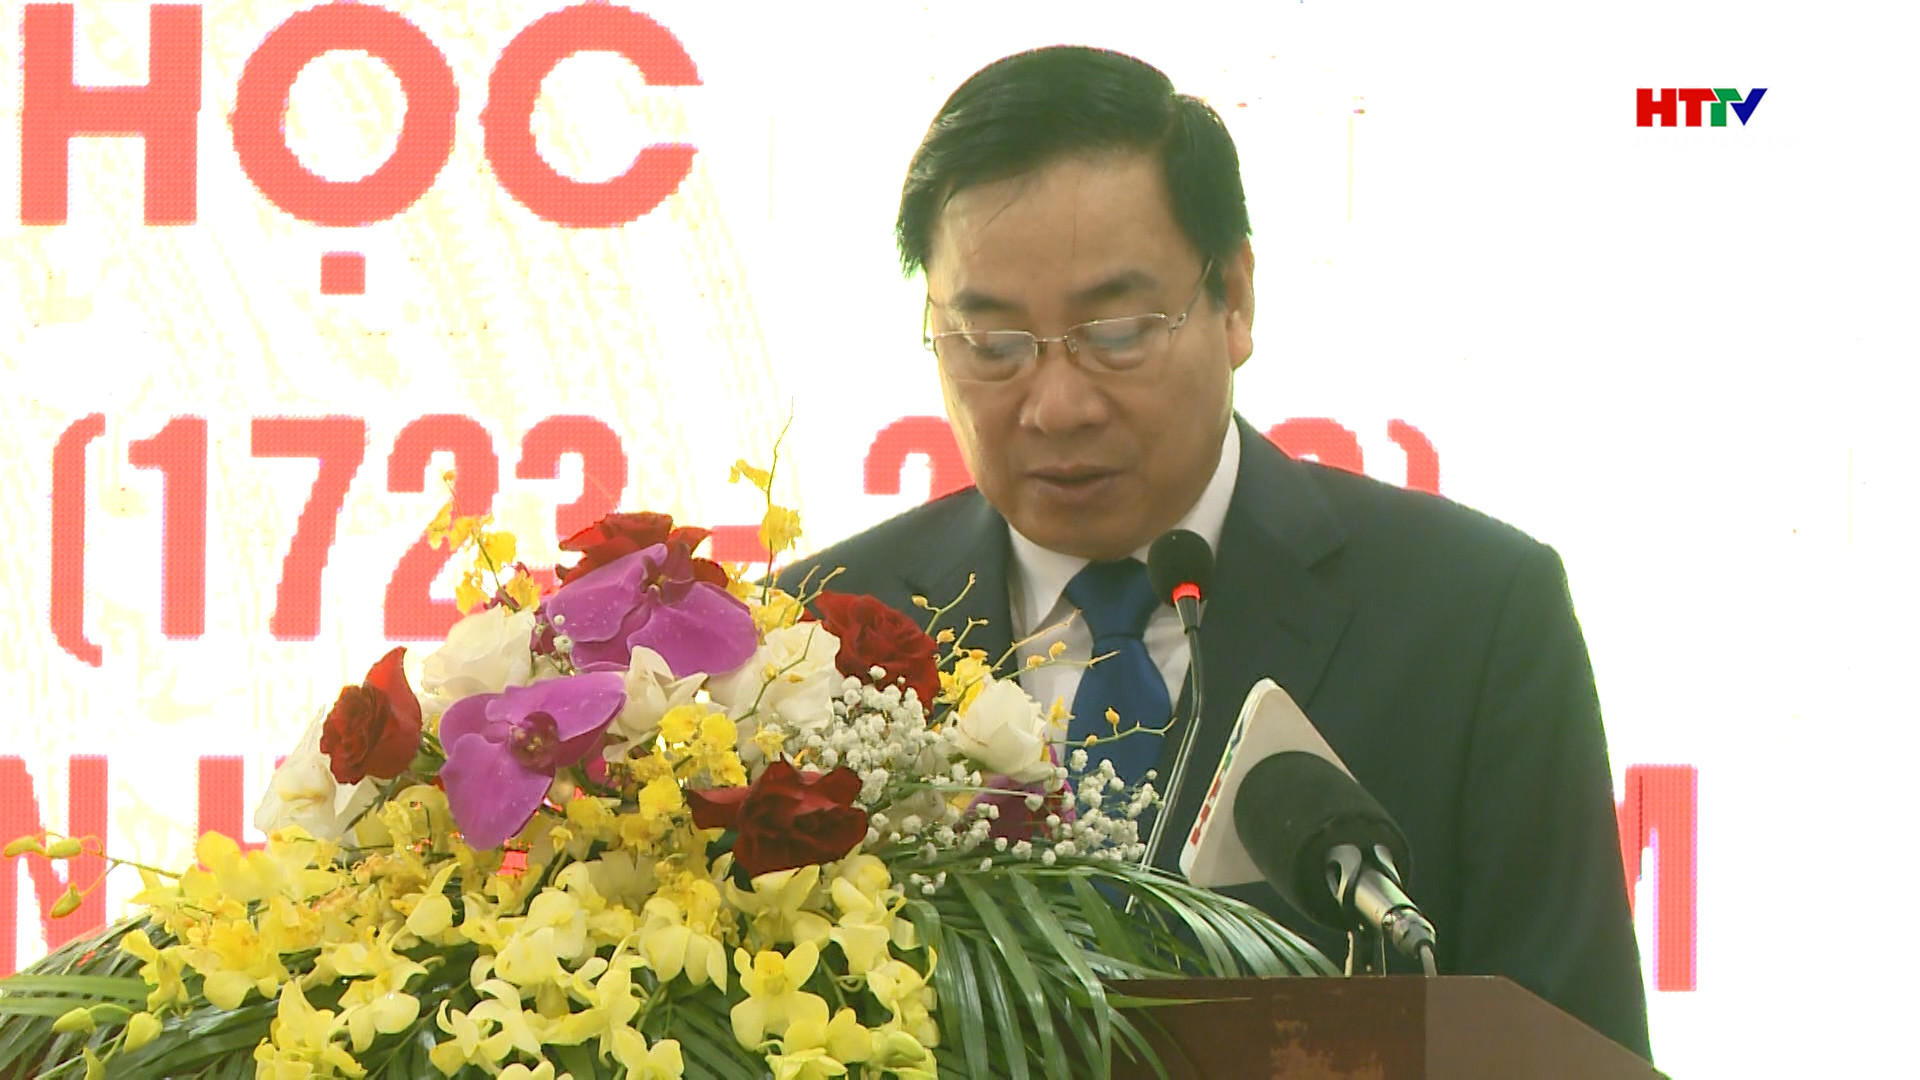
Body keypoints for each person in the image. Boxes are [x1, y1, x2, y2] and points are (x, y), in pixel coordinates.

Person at [780, 45, 1651, 1060]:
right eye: (993, 346)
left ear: (1233, 298)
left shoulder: (1473, 617)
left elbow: (1576, 1048)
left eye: (1115, 332)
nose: (1056, 407)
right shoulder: (810, 642)